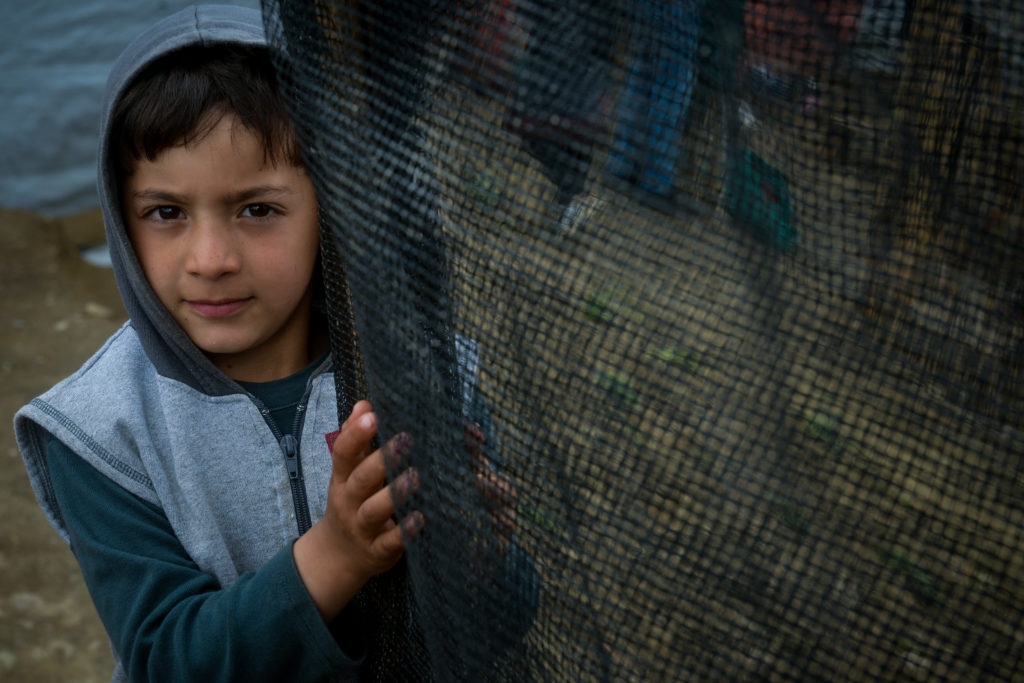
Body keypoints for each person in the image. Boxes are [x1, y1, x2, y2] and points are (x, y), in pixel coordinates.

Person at [14, 5, 535, 682]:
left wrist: (481, 562)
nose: (210, 259)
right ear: (121, 213)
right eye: (166, 212)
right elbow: (165, 660)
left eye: (257, 209)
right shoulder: (100, 432)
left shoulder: (422, 376)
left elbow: (502, 622)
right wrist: (338, 555)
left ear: (330, 205)